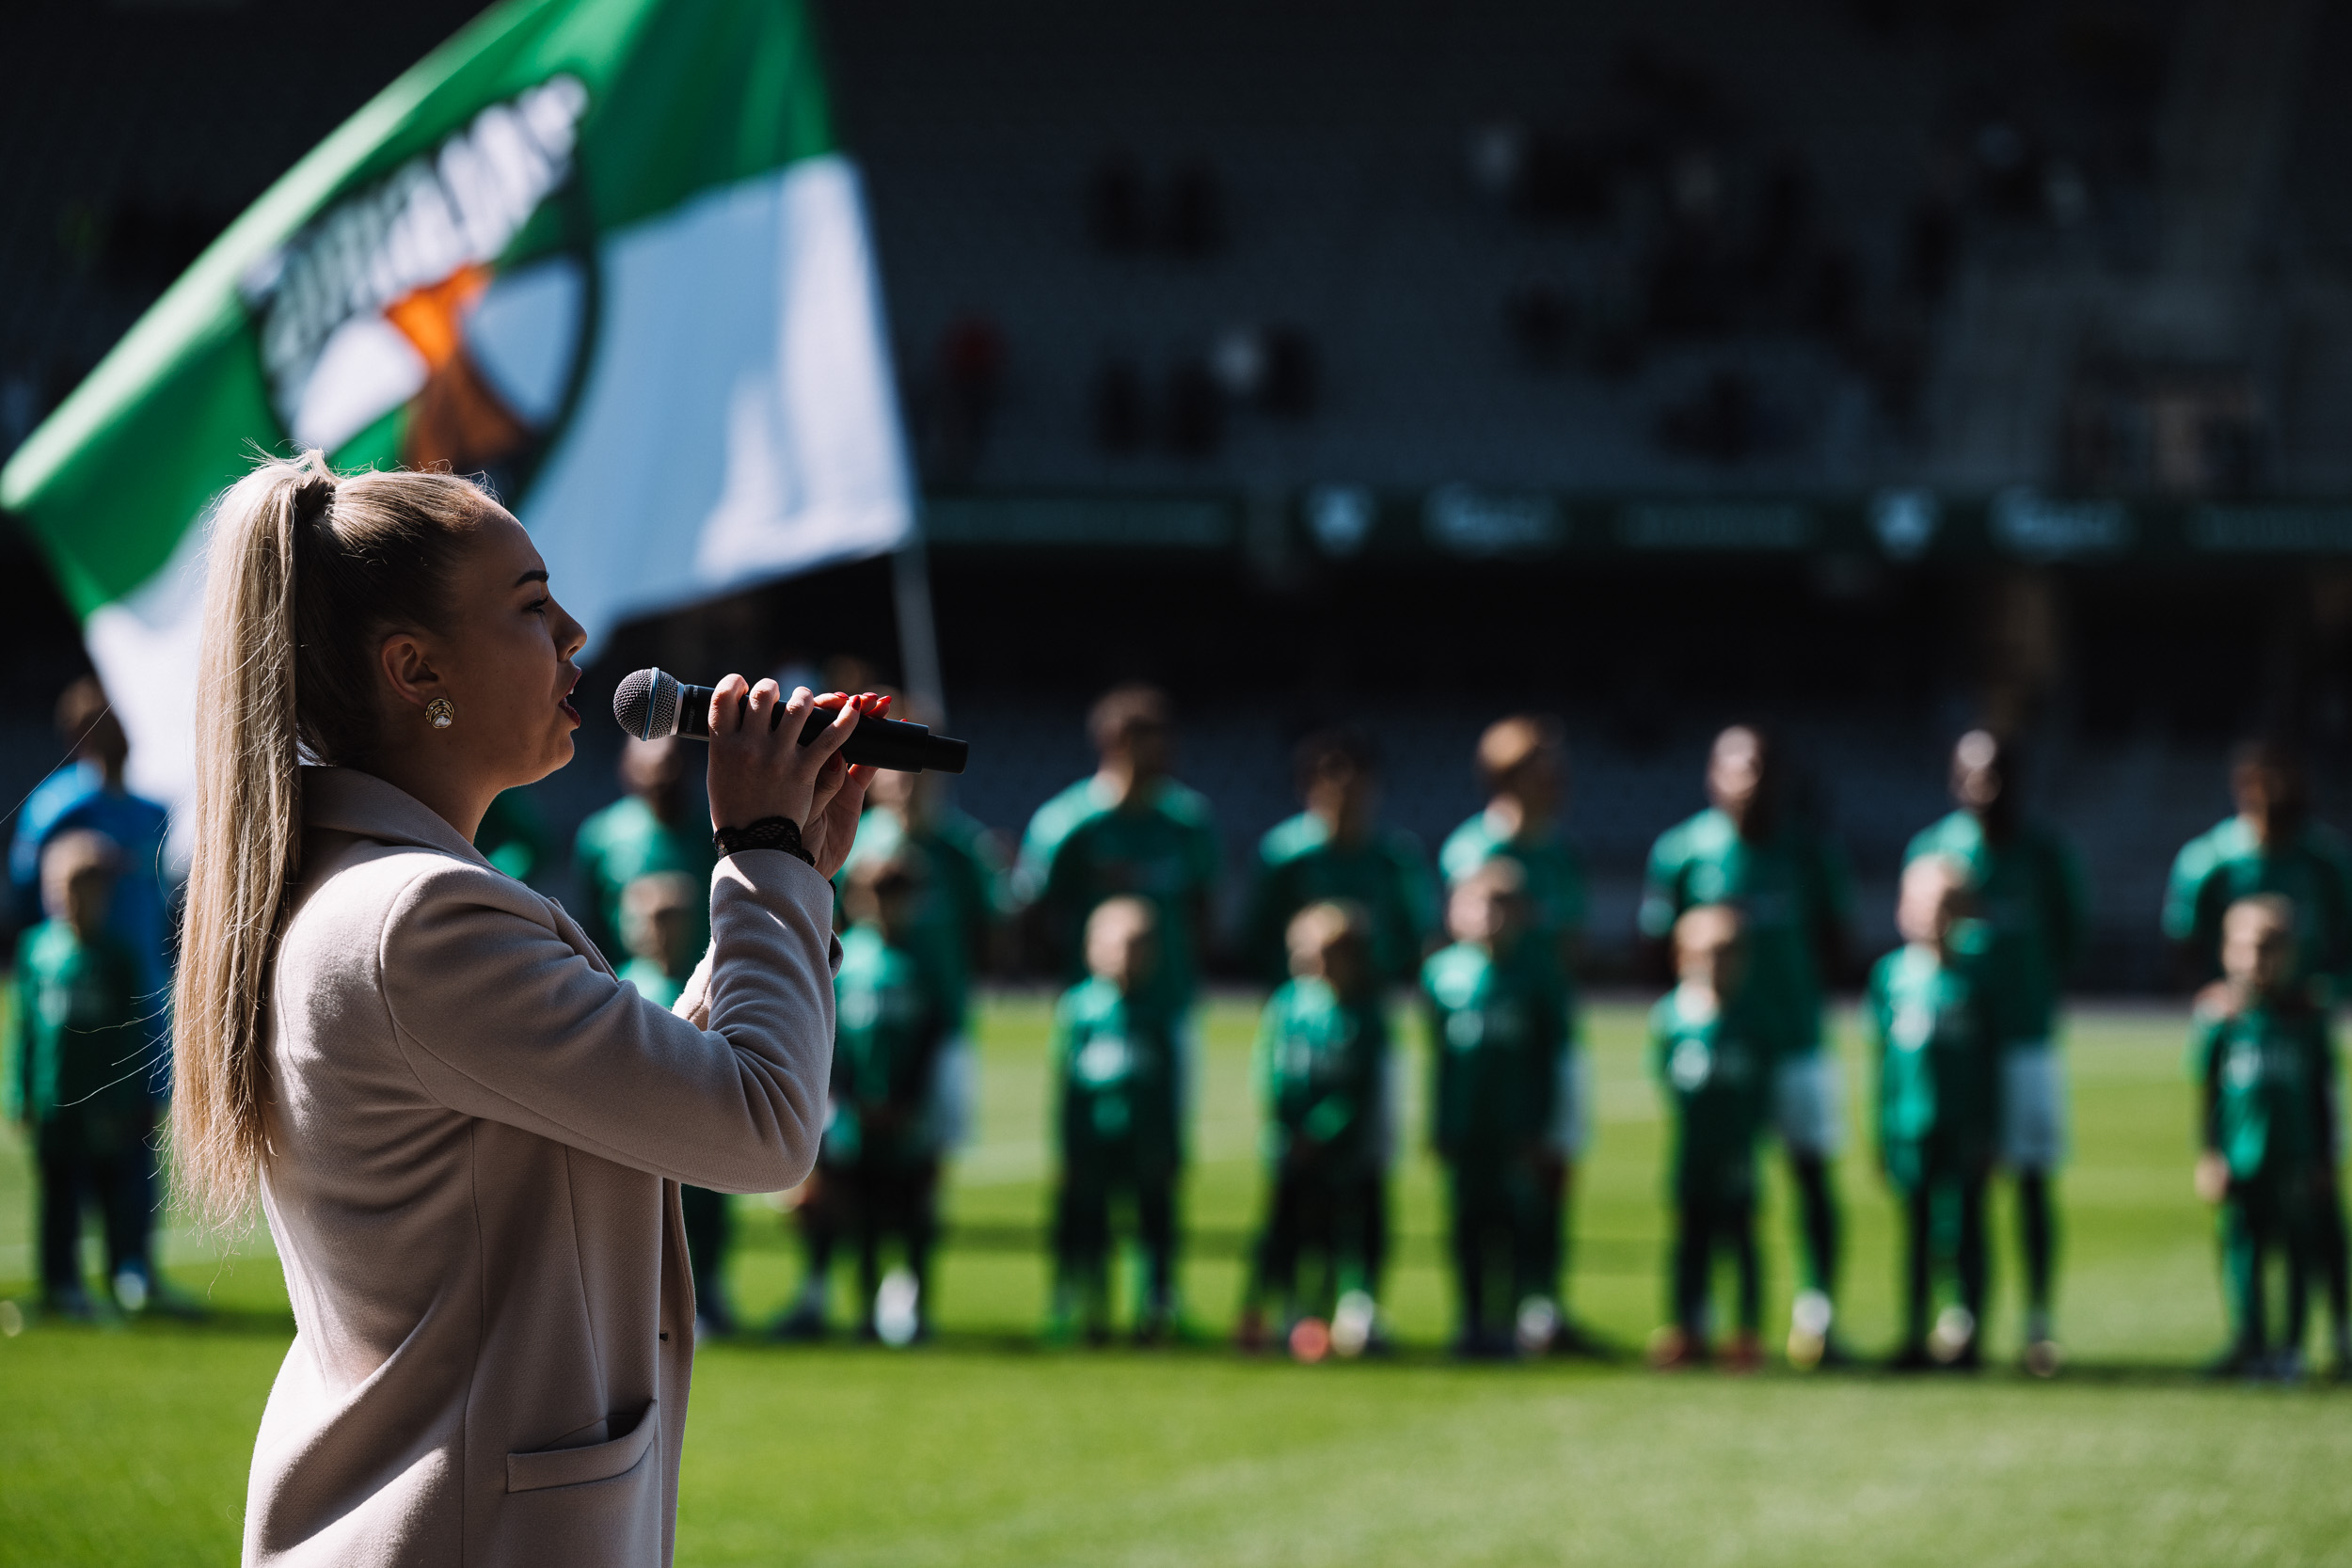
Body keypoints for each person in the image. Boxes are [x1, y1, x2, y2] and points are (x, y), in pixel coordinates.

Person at [170, 451, 879, 1566]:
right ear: (416, 668)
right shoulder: (420, 918)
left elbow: (644, 1089)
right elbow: (759, 1128)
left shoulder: (372, 894)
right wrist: (760, 853)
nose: (576, 635)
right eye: (532, 605)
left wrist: (794, 876)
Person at [1641, 722, 1854, 1367]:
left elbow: (1835, 940)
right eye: (1736, 767)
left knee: (1810, 1173)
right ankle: (1699, 1320)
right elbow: (1658, 945)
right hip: (1717, 1050)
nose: (1749, 782)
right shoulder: (1683, 851)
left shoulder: (1807, 853)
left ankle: (1817, 1312)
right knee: (1710, 1193)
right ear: (1713, 775)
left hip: (1793, 1042)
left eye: (1760, 768)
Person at [1905, 730, 2087, 1374]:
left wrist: (2024, 990)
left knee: (2032, 1179)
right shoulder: (1935, 849)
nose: (1984, 787)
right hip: (1959, 1047)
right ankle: (1962, 1316)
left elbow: (2068, 935)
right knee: (1963, 1186)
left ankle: (2038, 1322)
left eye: (1996, 774)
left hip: (2025, 1041)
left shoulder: (2044, 853)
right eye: (1971, 775)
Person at [2165, 738, 2352, 1349]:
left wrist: (2323, 991)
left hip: (2298, 1053)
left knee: (2317, 1214)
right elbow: (2184, 941)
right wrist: (2213, 993)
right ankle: (2250, 1337)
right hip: (2247, 1068)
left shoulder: (2323, 861)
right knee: (2246, 1227)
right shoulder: (2213, 860)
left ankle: (2329, 1331)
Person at [1438, 715, 1591, 1348]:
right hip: (1496, 1047)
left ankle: (1542, 1303)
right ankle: (1491, 1308)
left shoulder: (1556, 853)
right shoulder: (1476, 851)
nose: (1556, 778)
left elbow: (1571, 944)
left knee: (1552, 1172)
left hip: (1549, 1036)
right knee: (1489, 1188)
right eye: (1540, 766)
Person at [777, 848, 953, 1344]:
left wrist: (912, 1099)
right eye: (876, 893)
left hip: (908, 1114)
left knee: (913, 1207)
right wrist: (845, 1097)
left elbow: (934, 1036)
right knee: (857, 1209)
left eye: (897, 895)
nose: (886, 905)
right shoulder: (844, 961)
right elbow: (825, 1036)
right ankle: (861, 1310)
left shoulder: (925, 963)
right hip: (853, 1113)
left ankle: (916, 1308)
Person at [2190, 895, 2344, 1379]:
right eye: (2246, 947)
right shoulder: (2223, 1020)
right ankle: (2250, 1341)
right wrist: (2210, 1154)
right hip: (2242, 1156)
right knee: (2243, 1251)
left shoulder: (2305, 1016)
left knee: (2298, 1250)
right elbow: (2208, 1094)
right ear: (2226, 951)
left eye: (2269, 947)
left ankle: (2290, 1347)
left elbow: (2323, 1092)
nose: (2257, 960)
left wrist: (2326, 1157)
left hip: (2293, 1155)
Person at [1423, 860, 1568, 1357]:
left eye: (1503, 908)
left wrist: (1541, 1126)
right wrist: (1441, 1122)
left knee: (1512, 1226)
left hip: (1514, 1126)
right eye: (1480, 906)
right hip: (1468, 1125)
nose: (1490, 919)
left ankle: (1507, 1321)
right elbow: (1440, 1061)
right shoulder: (1444, 975)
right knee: (1466, 1225)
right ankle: (1469, 1320)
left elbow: (1550, 1059)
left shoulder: (1537, 975)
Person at [839, 733, 1009, 1158]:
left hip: (943, 1018)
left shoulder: (962, 850)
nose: (908, 786)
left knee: (928, 1146)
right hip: (863, 1014)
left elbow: (988, 926)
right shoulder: (851, 840)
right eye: (898, 775)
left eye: (918, 776)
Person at [11, 832, 154, 1319]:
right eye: (65, 889)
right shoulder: (36, 951)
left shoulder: (117, 957)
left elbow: (130, 1039)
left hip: (105, 1105)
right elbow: (25, 1031)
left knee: (114, 1192)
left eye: (89, 891)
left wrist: (131, 1100)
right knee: (59, 1197)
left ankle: (125, 1273)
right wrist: (18, 1093)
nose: (75, 902)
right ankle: (60, 1284)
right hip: (54, 1100)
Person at [1238, 901, 1391, 1359]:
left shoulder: (1363, 1014)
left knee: (1346, 1228)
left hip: (1344, 1150)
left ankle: (1348, 1310)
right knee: (1285, 1228)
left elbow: (1358, 1087)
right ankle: (1279, 1311)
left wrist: (1323, 1132)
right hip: (1291, 1144)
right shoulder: (1289, 1005)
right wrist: (1285, 1128)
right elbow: (1270, 1072)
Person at [1867, 856, 2000, 1370]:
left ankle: (1967, 1330)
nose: (1933, 917)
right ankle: (1914, 1330)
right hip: (1909, 1124)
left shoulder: (1976, 978)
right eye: (1923, 904)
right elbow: (1881, 1063)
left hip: (1962, 1123)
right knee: (1915, 1232)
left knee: (1966, 1227)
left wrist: (1990, 1128)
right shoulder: (1891, 977)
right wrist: (1881, 1130)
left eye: (1945, 906)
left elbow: (1990, 1063)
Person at [1017, 683, 1219, 1018]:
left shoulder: (1187, 823)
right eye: (1151, 742)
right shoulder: (1068, 824)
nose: (1165, 754)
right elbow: (1034, 911)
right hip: (1093, 1009)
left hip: (1171, 1004)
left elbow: (1202, 909)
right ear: (1115, 741)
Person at [9, 676, 174, 1058]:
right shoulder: (59, 809)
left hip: (144, 977)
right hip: (85, 984)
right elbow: (25, 885)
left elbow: (159, 894)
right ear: (80, 733)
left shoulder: (153, 813)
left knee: (146, 1080)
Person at [1047, 895, 1184, 1344]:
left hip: (1144, 1141)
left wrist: (1172, 1146)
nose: (1127, 958)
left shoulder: (1160, 1010)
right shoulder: (1080, 1009)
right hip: (1093, 1140)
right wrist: (1066, 1147)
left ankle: (1157, 1307)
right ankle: (1088, 1307)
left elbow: (1170, 1086)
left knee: (1154, 1226)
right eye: (1117, 946)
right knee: (1088, 1226)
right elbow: (1066, 1089)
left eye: (1138, 947)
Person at [613, 872, 737, 1336]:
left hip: (699, 1119)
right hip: (643, 1125)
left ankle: (710, 1294)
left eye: (673, 919)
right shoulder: (618, 981)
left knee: (705, 1212)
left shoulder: (706, 982)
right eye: (654, 919)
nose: (662, 931)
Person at [1647, 904, 1768, 1372]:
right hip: (1692, 1152)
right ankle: (1687, 1328)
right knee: (1689, 1241)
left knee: (1740, 1240)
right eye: (1706, 955)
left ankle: (1745, 1332)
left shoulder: (1753, 1018)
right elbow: (1664, 1078)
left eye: (1726, 955)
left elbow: (1764, 1088)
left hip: (1736, 1150)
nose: (1716, 966)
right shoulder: (1672, 1018)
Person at [1242, 726, 1438, 990]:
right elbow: (1259, 937)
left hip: (1369, 997)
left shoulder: (1397, 859)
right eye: (1336, 794)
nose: (1348, 805)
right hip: (1299, 993)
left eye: (1358, 794)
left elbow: (1413, 937)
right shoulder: (1283, 856)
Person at [574, 736, 717, 969]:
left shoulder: (715, 834)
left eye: (670, 765)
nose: (661, 776)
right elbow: (591, 922)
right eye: (648, 767)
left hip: (708, 978)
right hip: (623, 980)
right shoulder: (602, 835)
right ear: (627, 766)